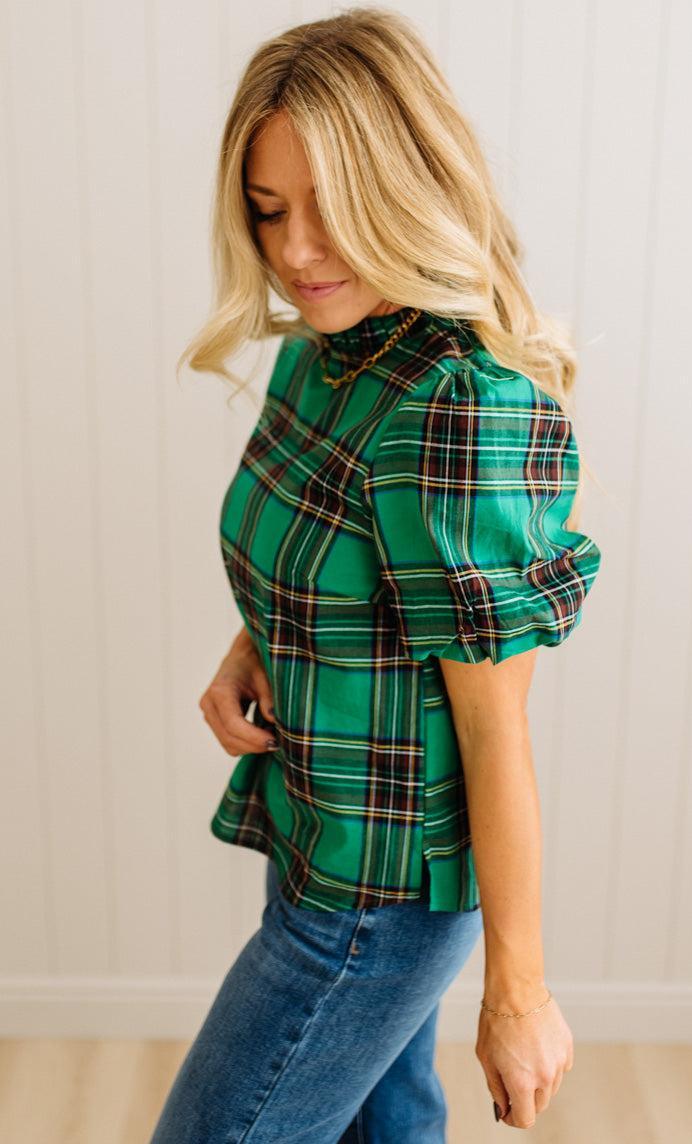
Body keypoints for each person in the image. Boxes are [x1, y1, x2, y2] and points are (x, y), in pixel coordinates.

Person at [150, 7, 602, 1141]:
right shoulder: (328, 345)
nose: (296, 252)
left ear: (405, 192)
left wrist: (520, 991)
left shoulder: (453, 407)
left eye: (332, 213)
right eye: (267, 211)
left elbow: (496, 730)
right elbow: (334, 560)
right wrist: (255, 642)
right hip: (319, 838)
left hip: (376, 901)